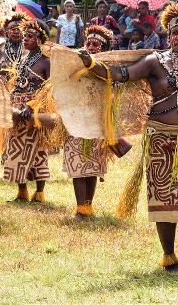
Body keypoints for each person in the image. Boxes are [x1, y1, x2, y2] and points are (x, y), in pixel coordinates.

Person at [77, 2, 178, 272]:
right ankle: (169, 256)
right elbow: (118, 75)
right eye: (175, 32)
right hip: (163, 140)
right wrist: (91, 64)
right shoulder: (154, 61)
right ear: (168, 36)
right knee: (165, 198)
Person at [63, 25, 112, 219]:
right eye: (89, 43)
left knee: (92, 167)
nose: (91, 46)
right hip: (75, 120)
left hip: (97, 122)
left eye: (96, 44)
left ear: (103, 48)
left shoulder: (108, 66)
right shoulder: (75, 64)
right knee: (77, 166)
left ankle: (88, 207)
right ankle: (80, 206)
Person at [2, 19, 52, 202]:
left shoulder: (46, 61)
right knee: (16, 149)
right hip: (17, 110)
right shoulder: (23, 59)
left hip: (35, 111)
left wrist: (34, 107)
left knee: (39, 151)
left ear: (39, 39)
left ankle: (39, 193)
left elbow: (50, 88)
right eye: (25, 36)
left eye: (30, 36)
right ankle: (21, 191)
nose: (25, 39)